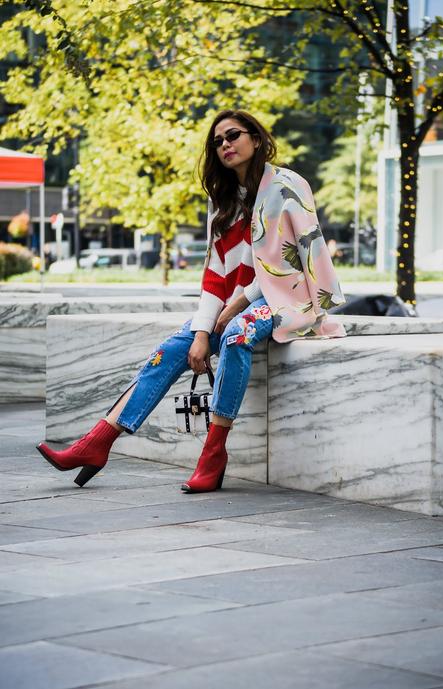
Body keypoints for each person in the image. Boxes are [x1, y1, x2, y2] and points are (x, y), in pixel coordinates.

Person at [36, 109, 346, 493]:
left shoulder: (287, 185)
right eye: (217, 142)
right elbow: (215, 276)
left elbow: (301, 257)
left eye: (233, 136)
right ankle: (96, 443)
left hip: (287, 299)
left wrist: (239, 304)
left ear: (255, 137)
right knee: (171, 350)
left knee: (236, 333)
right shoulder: (223, 202)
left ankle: (213, 454)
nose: (225, 145)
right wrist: (201, 332)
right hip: (236, 305)